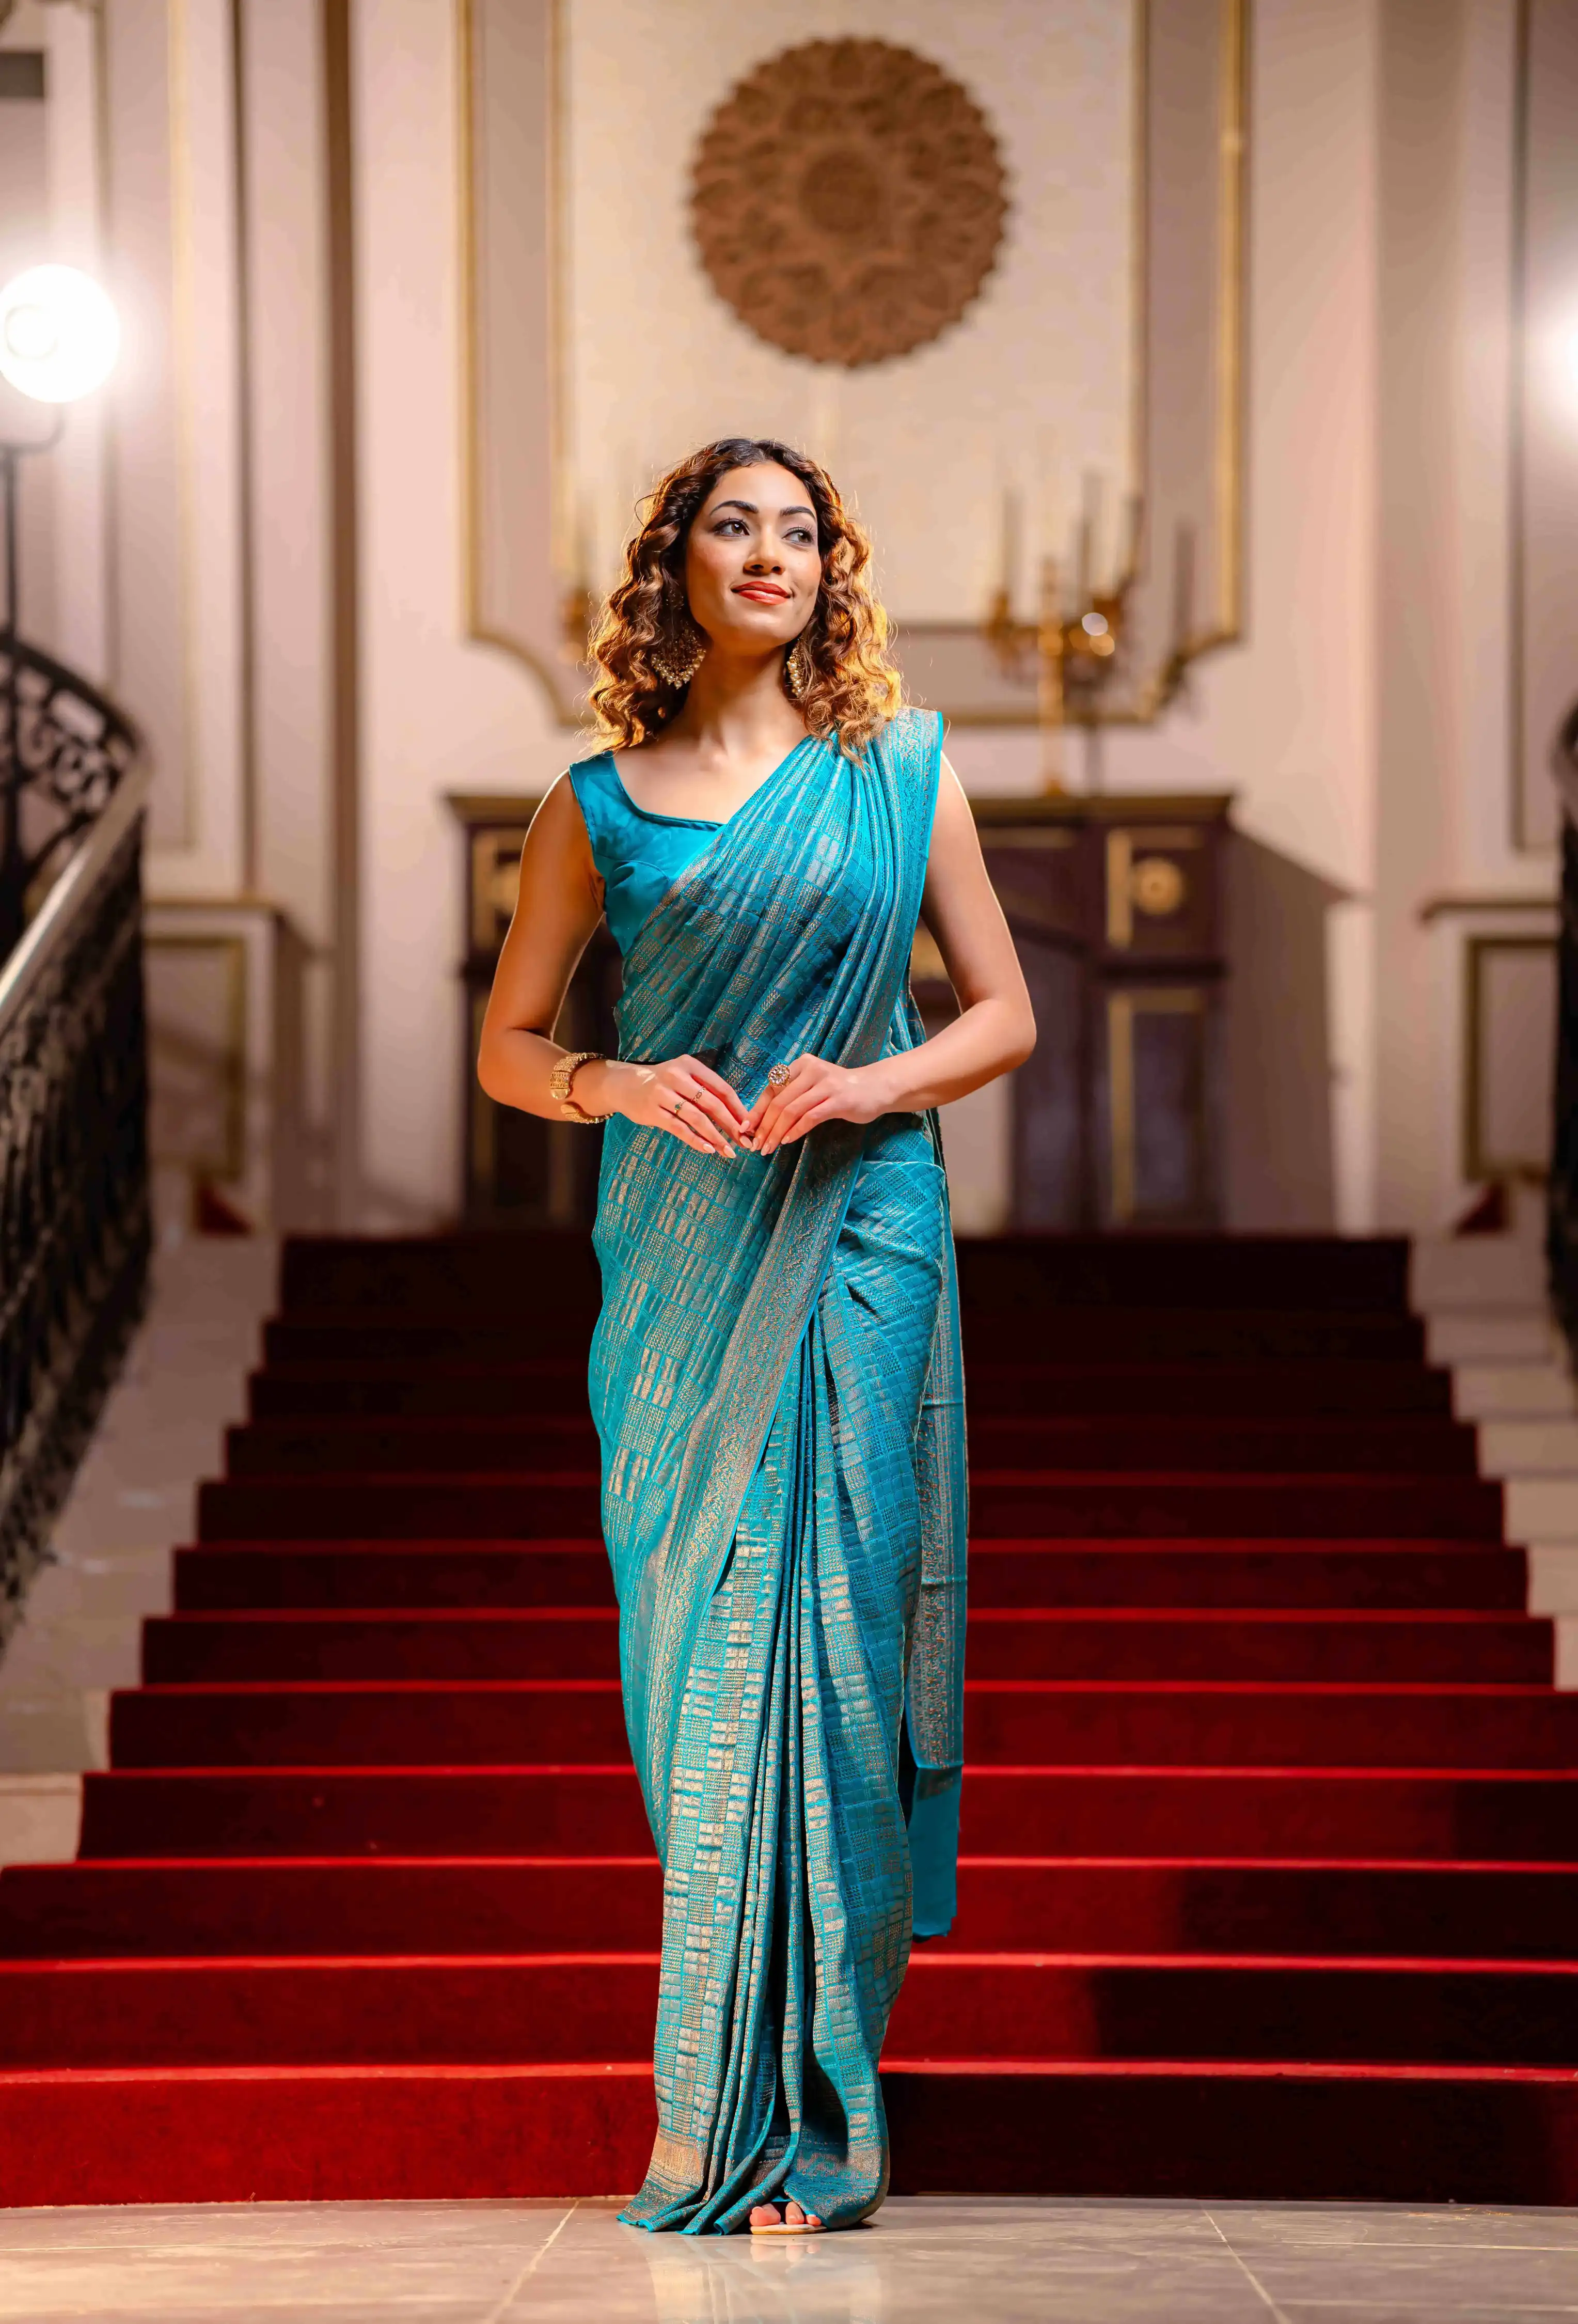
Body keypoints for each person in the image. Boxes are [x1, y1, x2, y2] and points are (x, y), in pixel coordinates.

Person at [478, 437, 1035, 2235]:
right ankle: (710, 2101)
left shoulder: (903, 769)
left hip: (864, 1227)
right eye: (737, 526)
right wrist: (616, 1082)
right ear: (679, 565)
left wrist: (870, 1081)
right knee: (711, 1663)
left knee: (839, 1651)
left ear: (828, 571)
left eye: (800, 530)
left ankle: (812, 2117)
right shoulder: (595, 805)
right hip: (682, 1246)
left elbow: (1004, 1010)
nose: (772, 553)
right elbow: (508, 1043)